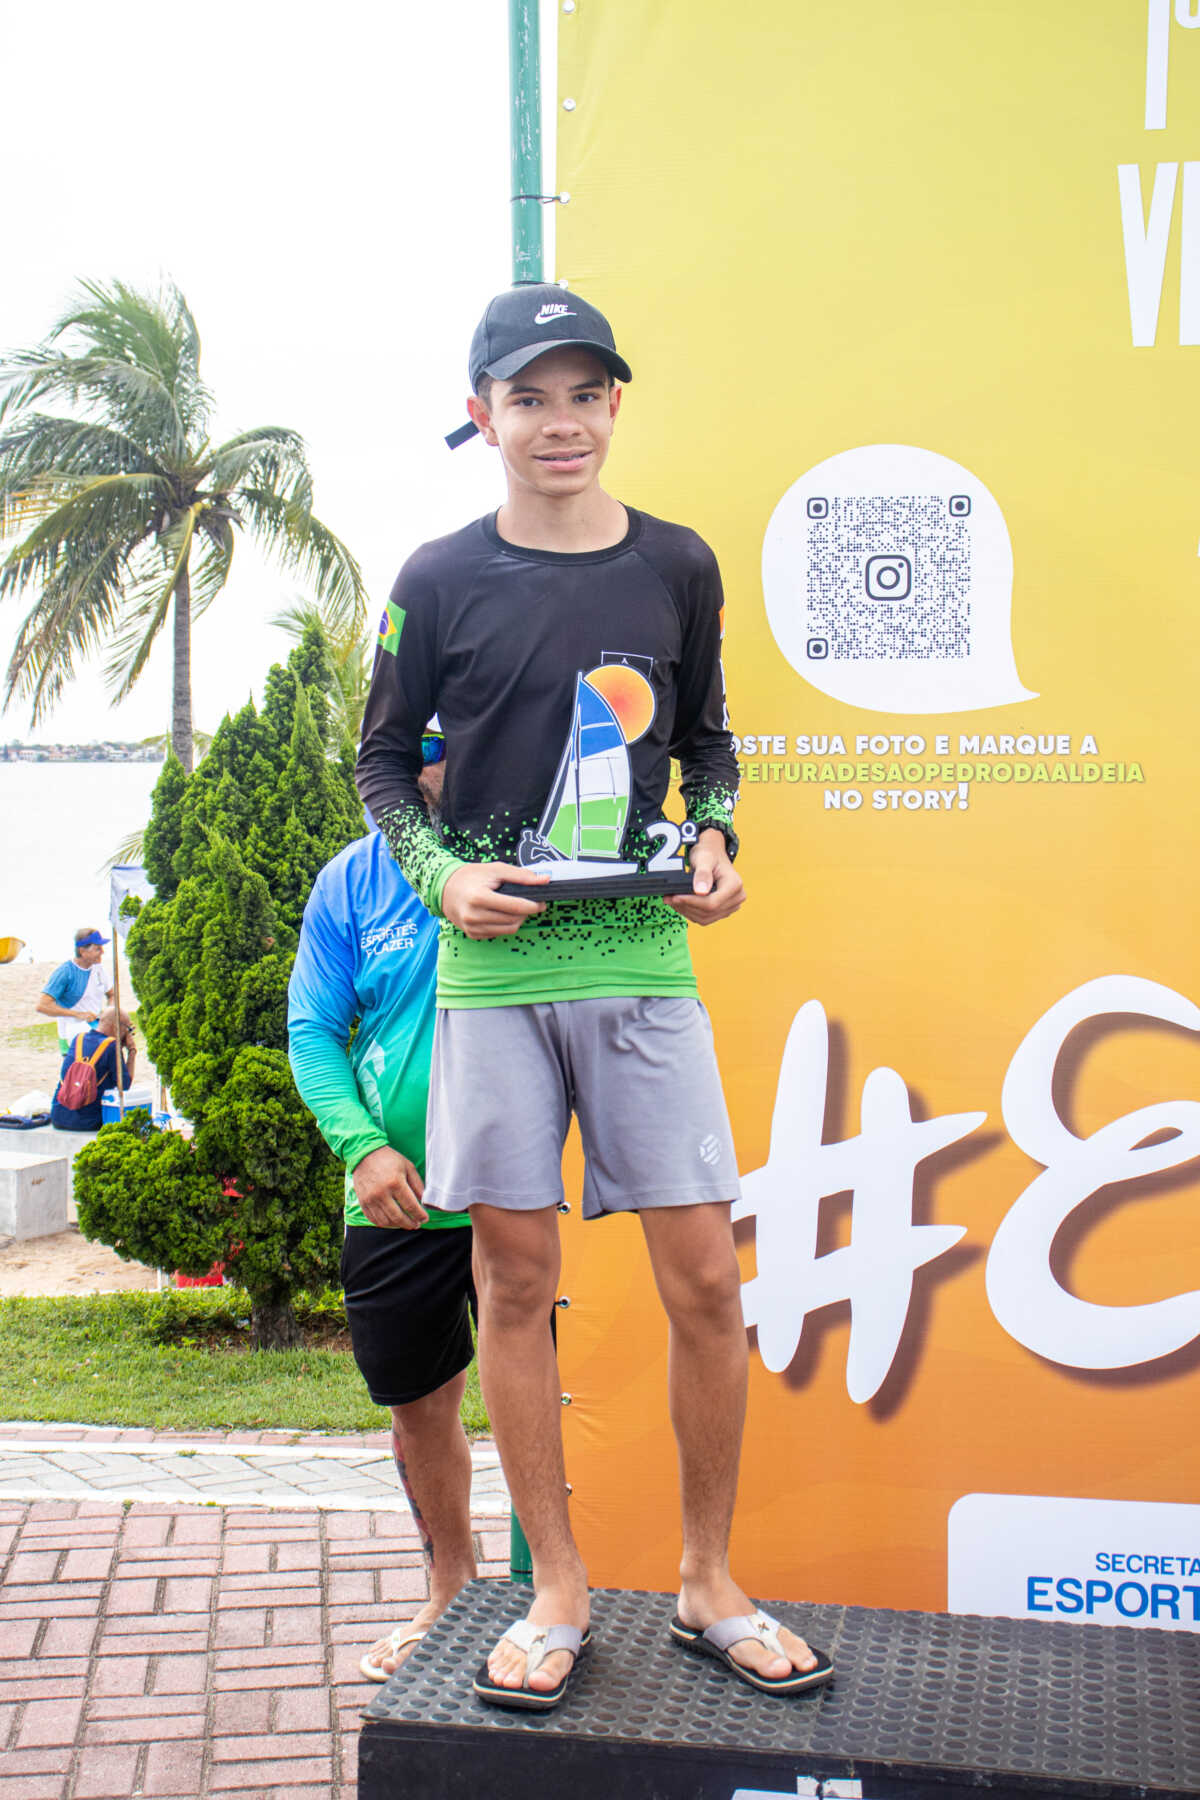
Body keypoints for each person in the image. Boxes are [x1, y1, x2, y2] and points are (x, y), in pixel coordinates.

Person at [356, 285, 833, 1708]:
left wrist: (718, 836)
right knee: (514, 1282)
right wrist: (443, 875)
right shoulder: (437, 576)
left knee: (707, 1282)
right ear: (482, 413)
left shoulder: (678, 563)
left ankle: (708, 1583)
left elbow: (710, 745)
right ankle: (555, 1588)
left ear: (615, 404)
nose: (559, 422)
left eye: (584, 394)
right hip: (492, 981)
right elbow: (382, 765)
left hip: (641, 969)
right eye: (529, 397)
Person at [288, 731, 479, 1683]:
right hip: (399, 1201)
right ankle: (451, 1591)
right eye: (418, 746)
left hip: (530, 1189)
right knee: (419, 1409)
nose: (433, 764)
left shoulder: (529, 850)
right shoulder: (351, 882)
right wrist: (362, 1148)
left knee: (570, 1398)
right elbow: (312, 1030)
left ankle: (561, 1591)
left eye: (451, 740)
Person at [50, 1006, 135, 1132]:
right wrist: (132, 1051)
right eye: (128, 1029)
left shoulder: (78, 1039)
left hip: (59, 1116)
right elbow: (125, 1086)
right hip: (88, 1121)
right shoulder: (112, 1047)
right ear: (117, 1027)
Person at [37, 928, 113, 1054]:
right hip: (71, 1035)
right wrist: (78, 1014)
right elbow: (42, 1006)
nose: (102, 952)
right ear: (82, 951)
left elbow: (112, 995)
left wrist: (108, 1013)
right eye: (98, 949)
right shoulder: (65, 972)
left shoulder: (99, 969)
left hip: (96, 1030)